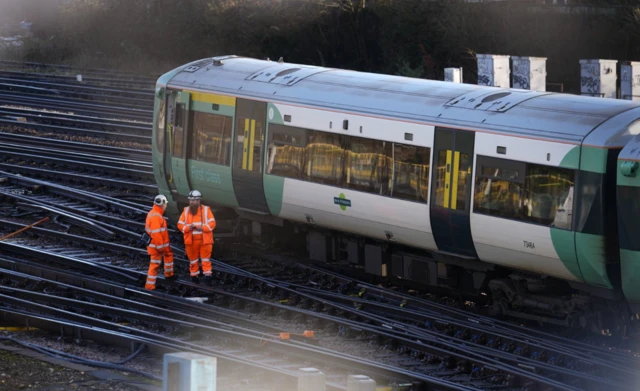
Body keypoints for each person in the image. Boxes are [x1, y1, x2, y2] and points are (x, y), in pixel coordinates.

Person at [177, 190, 216, 285]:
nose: (191, 202)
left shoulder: (206, 210)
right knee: (193, 260)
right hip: (191, 241)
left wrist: (201, 228)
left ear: (199, 201)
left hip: (204, 241)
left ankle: (207, 277)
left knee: (205, 260)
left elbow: (212, 224)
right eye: (190, 200)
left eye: (193, 200)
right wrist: (187, 228)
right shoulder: (186, 211)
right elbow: (180, 224)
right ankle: (194, 277)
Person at [145, 194, 175, 290]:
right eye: (165, 204)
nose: (166, 206)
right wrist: (160, 246)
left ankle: (169, 275)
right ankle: (150, 287)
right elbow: (156, 234)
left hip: (160, 245)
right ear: (162, 205)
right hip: (157, 246)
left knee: (168, 255)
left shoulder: (154, 214)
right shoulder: (156, 217)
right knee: (155, 265)